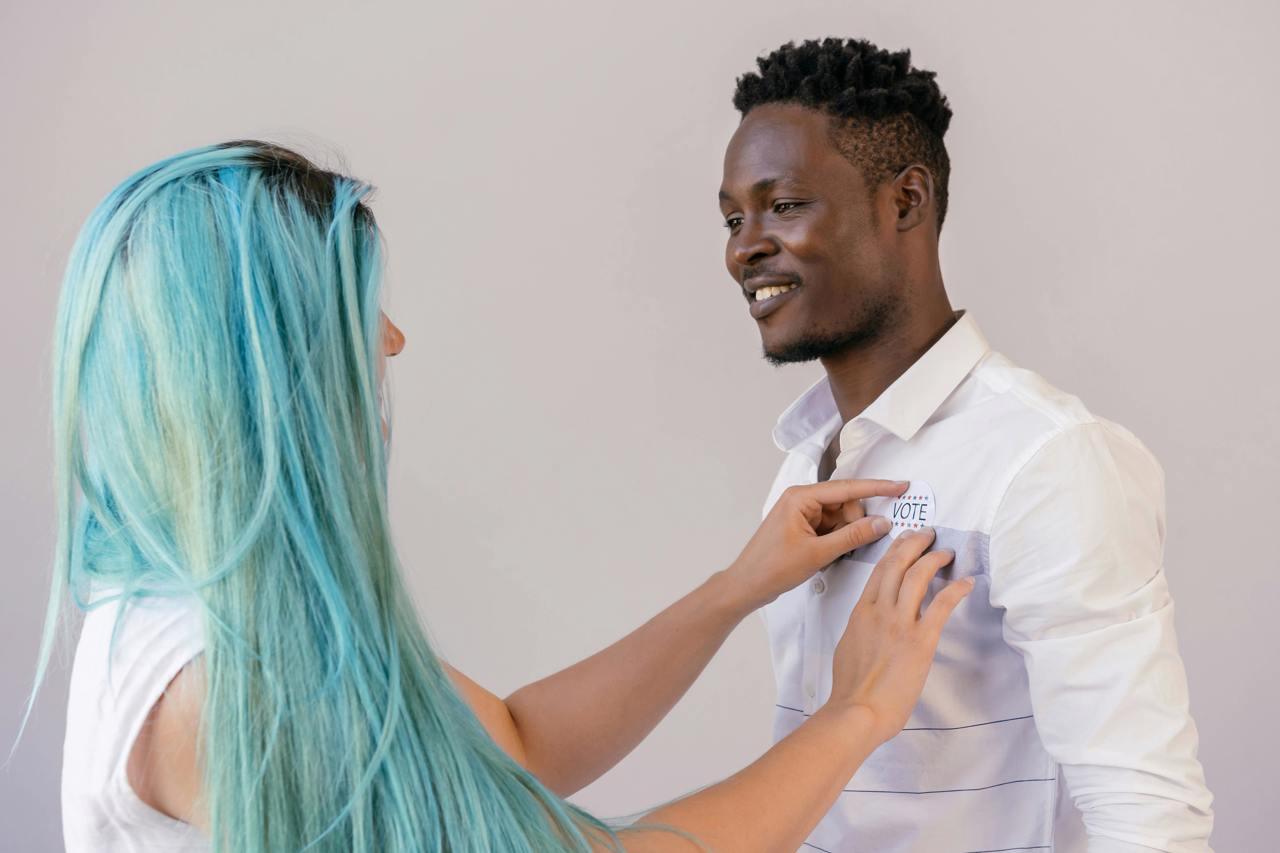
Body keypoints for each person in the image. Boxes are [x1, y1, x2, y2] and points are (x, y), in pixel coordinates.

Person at [31, 140, 975, 853]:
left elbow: (513, 745)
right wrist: (856, 712)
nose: (391, 340)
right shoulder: (227, 676)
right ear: (269, 368)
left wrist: (736, 588)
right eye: (356, 310)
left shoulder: (199, 613)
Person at [718, 37, 1215, 852]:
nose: (744, 246)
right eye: (735, 218)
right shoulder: (802, 467)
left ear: (906, 200)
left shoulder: (1044, 461)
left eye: (785, 205)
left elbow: (1148, 815)